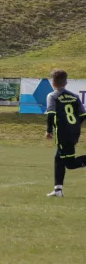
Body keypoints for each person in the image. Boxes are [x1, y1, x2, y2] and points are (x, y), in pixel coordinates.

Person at [45, 69, 86, 197]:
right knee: (58, 158)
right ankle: (58, 190)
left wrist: (49, 130)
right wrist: (75, 126)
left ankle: (58, 190)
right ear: (66, 82)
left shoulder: (53, 96)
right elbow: (83, 115)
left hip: (62, 132)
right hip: (74, 131)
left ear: (52, 83)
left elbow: (51, 114)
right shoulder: (74, 96)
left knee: (70, 163)